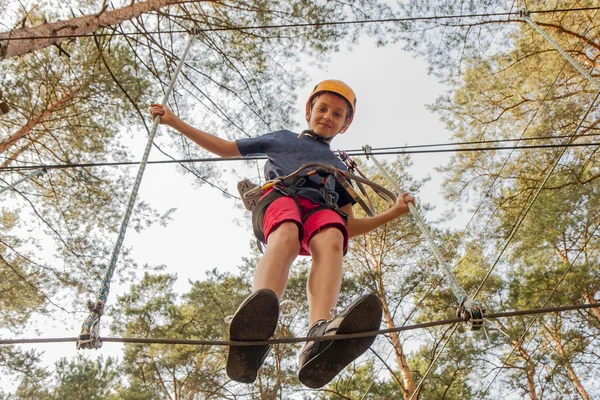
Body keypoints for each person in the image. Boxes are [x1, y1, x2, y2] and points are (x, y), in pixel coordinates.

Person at [149, 79, 415, 388]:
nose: (328, 116)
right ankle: (257, 321)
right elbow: (224, 148)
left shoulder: (339, 167)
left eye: (338, 114)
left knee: (332, 237)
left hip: (320, 209)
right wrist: (174, 121)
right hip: (281, 198)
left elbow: (349, 225)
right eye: (323, 108)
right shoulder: (282, 138)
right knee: (287, 233)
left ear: (345, 125)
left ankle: (319, 332)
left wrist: (392, 213)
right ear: (308, 111)